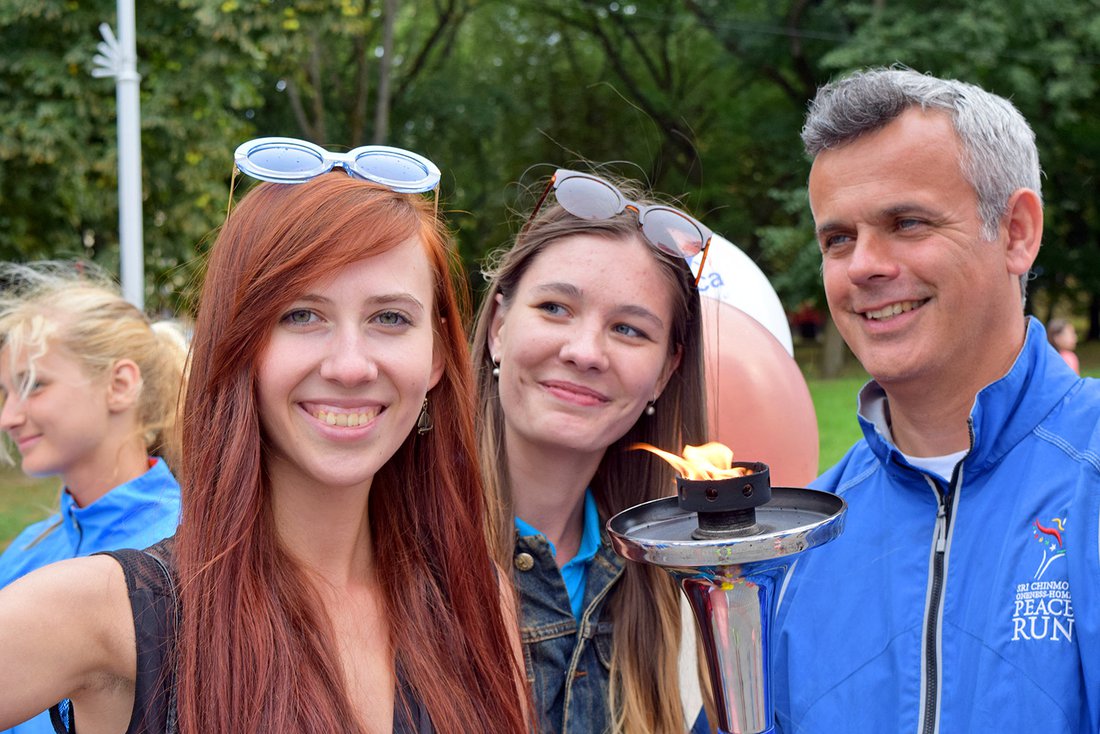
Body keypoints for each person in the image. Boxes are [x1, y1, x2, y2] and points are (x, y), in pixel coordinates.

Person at [0, 142, 529, 733]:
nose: (350, 366)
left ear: (434, 356)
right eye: (302, 315)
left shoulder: (479, 600)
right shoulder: (110, 611)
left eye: (390, 318)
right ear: (238, 342)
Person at [773, 68, 1100, 733]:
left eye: (907, 222)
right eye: (838, 239)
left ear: (1016, 232)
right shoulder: (796, 546)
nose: (863, 265)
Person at [471, 168, 713, 734]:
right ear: (499, 327)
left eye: (629, 329)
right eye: (555, 307)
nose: (584, 352)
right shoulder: (388, 549)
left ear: (665, 372)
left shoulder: (679, 598)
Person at [0, 261, 188, 734]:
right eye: (5, 393)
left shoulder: (193, 547)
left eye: (33, 385)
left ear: (120, 385)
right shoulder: (25, 550)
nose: (8, 417)